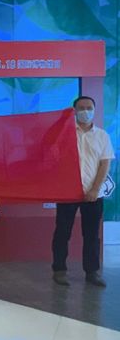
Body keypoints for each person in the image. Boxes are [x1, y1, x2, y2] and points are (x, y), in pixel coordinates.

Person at [52, 96, 115, 287]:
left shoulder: (102, 135)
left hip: (93, 194)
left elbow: (105, 164)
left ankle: (92, 272)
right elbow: (52, 156)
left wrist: (95, 189)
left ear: (94, 110)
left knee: (91, 234)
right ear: (74, 110)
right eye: (81, 108)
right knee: (62, 232)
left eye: (89, 107)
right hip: (67, 192)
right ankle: (59, 270)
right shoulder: (64, 133)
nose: (85, 111)